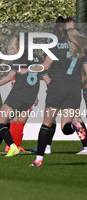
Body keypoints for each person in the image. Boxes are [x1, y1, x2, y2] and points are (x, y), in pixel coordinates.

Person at [27, 25, 87, 166]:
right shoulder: (82, 48)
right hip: (73, 88)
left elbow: (46, 65)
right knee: (67, 125)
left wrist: (28, 69)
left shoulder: (56, 46)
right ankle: (75, 134)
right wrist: (80, 83)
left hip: (57, 87)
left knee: (46, 124)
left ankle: (39, 159)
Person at [0, 33, 48, 157]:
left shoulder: (19, 58)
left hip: (18, 95)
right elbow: (44, 78)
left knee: (0, 122)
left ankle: (13, 147)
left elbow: (9, 78)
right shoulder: (38, 59)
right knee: (6, 121)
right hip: (30, 98)